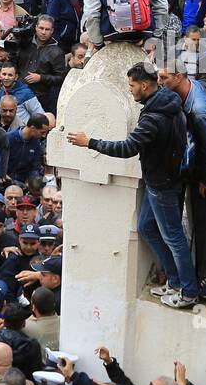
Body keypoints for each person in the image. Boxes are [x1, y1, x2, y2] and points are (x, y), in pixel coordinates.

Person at [67, 62, 196, 307]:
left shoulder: (154, 118)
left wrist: (90, 142)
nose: (130, 90)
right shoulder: (168, 103)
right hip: (161, 180)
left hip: (162, 185)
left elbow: (127, 148)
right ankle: (175, 281)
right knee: (147, 227)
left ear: (145, 85)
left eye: (132, 85)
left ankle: (188, 291)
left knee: (174, 238)